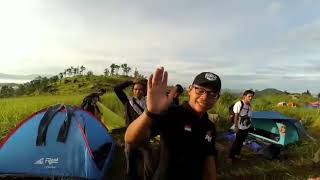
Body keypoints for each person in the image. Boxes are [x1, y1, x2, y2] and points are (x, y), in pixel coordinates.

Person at [125, 67, 220, 180]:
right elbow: (131, 139)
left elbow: (209, 160)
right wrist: (150, 113)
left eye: (212, 93)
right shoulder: (171, 114)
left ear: (217, 98)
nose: (205, 97)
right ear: (190, 90)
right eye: (200, 90)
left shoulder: (209, 126)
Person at [114, 78, 155, 180]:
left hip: (144, 138)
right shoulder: (128, 102)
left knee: (149, 165)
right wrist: (130, 82)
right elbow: (117, 89)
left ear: (144, 91)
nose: (138, 91)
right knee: (130, 165)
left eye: (140, 89)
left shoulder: (149, 103)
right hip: (130, 138)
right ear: (133, 90)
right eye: (136, 89)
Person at [228, 90, 255, 162]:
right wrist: (236, 127)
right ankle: (230, 157)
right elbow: (236, 115)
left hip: (246, 127)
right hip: (239, 127)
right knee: (237, 141)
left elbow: (249, 116)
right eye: (249, 96)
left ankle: (237, 154)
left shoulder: (249, 105)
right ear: (244, 96)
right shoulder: (239, 103)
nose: (250, 98)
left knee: (241, 141)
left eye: (252, 97)